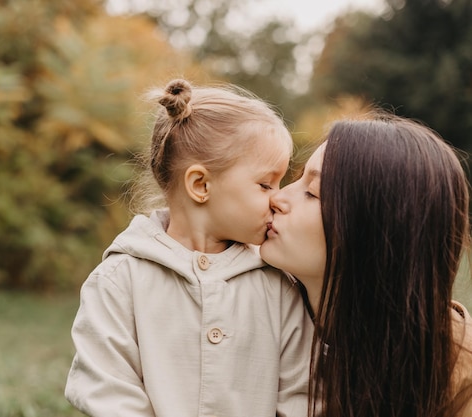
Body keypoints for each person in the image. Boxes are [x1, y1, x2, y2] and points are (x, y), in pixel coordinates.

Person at [64, 78, 313, 417]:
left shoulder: (280, 288)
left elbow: (301, 396)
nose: (279, 197)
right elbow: (107, 390)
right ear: (200, 184)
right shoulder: (119, 280)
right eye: (266, 184)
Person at [260, 114, 472, 417]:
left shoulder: (456, 372)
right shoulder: (253, 301)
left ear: (373, 230)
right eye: (297, 179)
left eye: (312, 192)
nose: (278, 198)